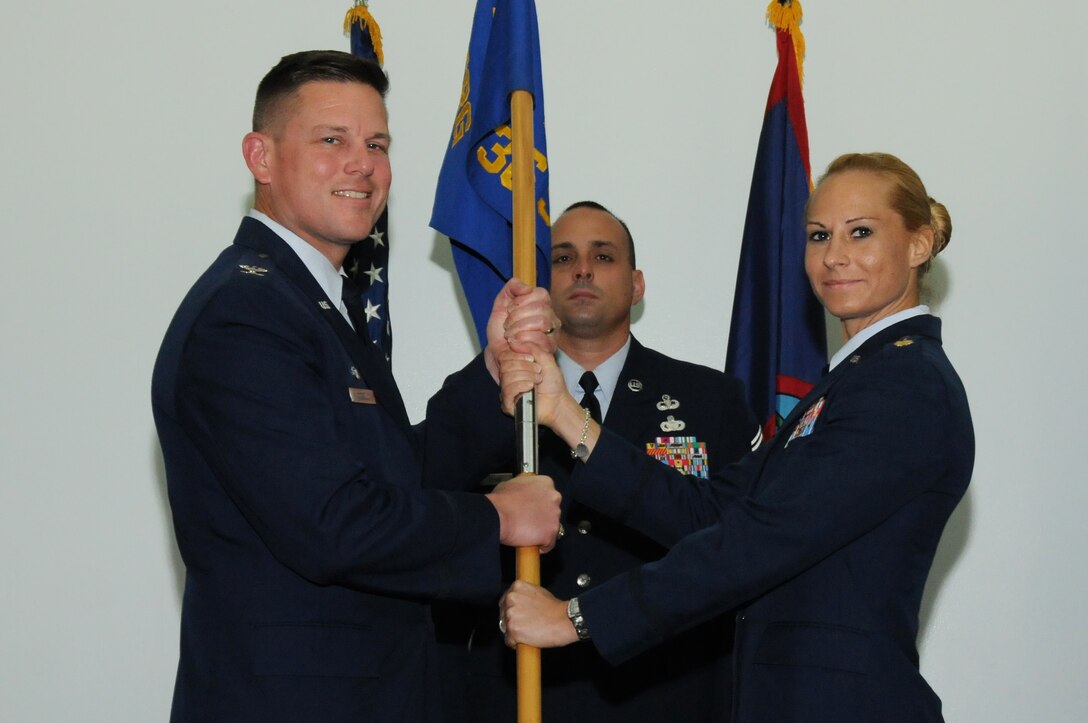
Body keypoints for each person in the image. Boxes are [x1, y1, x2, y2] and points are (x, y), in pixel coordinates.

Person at [151, 50, 562, 723]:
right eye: (332, 140)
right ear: (260, 156)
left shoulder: (305, 301)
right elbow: (333, 523)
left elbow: (389, 478)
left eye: (377, 144)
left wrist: (490, 373)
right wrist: (498, 515)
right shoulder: (244, 313)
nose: (362, 164)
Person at [498, 153, 974, 722]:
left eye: (861, 232)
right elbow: (711, 511)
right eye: (819, 235)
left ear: (919, 245)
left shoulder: (902, 385)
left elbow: (760, 541)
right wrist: (565, 416)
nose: (834, 256)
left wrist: (577, 618)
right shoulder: (854, 381)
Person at [439, 201, 760, 721]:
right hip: (517, 691)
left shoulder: (711, 400)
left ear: (637, 286)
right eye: (563, 259)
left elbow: (730, 543)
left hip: (662, 690)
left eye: (603, 257)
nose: (582, 269)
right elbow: (427, 512)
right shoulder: (491, 397)